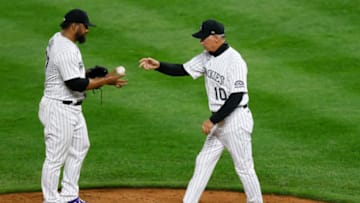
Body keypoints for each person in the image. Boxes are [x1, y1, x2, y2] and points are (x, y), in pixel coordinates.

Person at [139, 19, 263, 203]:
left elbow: (236, 97)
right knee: (203, 162)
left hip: (235, 119)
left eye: (203, 38)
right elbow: (182, 69)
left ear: (215, 37)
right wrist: (159, 66)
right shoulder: (207, 56)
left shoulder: (235, 60)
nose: (201, 42)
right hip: (219, 121)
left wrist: (213, 120)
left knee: (244, 167)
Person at [38, 8, 127, 203]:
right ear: (74, 26)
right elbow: (75, 84)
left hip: (72, 107)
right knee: (55, 157)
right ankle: (51, 200)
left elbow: (72, 75)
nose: (87, 30)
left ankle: (69, 196)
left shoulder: (60, 39)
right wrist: (106, 80)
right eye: (85, 26)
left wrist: (91, 74)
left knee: (80, 146)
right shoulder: (65, 49)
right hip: (59, 108)